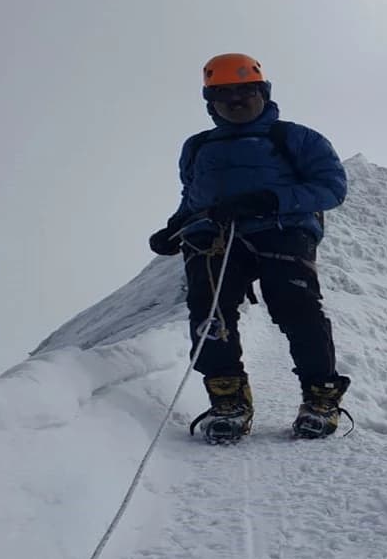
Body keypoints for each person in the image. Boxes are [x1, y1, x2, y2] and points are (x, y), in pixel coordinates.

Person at [148, 53, 350, 442]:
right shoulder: (196, 147)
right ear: (211, 104)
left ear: (264, 92)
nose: (236, 101)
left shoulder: (295, 138)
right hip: (212, 235)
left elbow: (331, 188)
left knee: (298, 310)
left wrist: (270, 200)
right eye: (225, 95)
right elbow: (192, 197)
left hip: (281, 228)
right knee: (209, 314)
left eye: (246, 93)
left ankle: (320, 395)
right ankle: (228, 399)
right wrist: (174, 228)